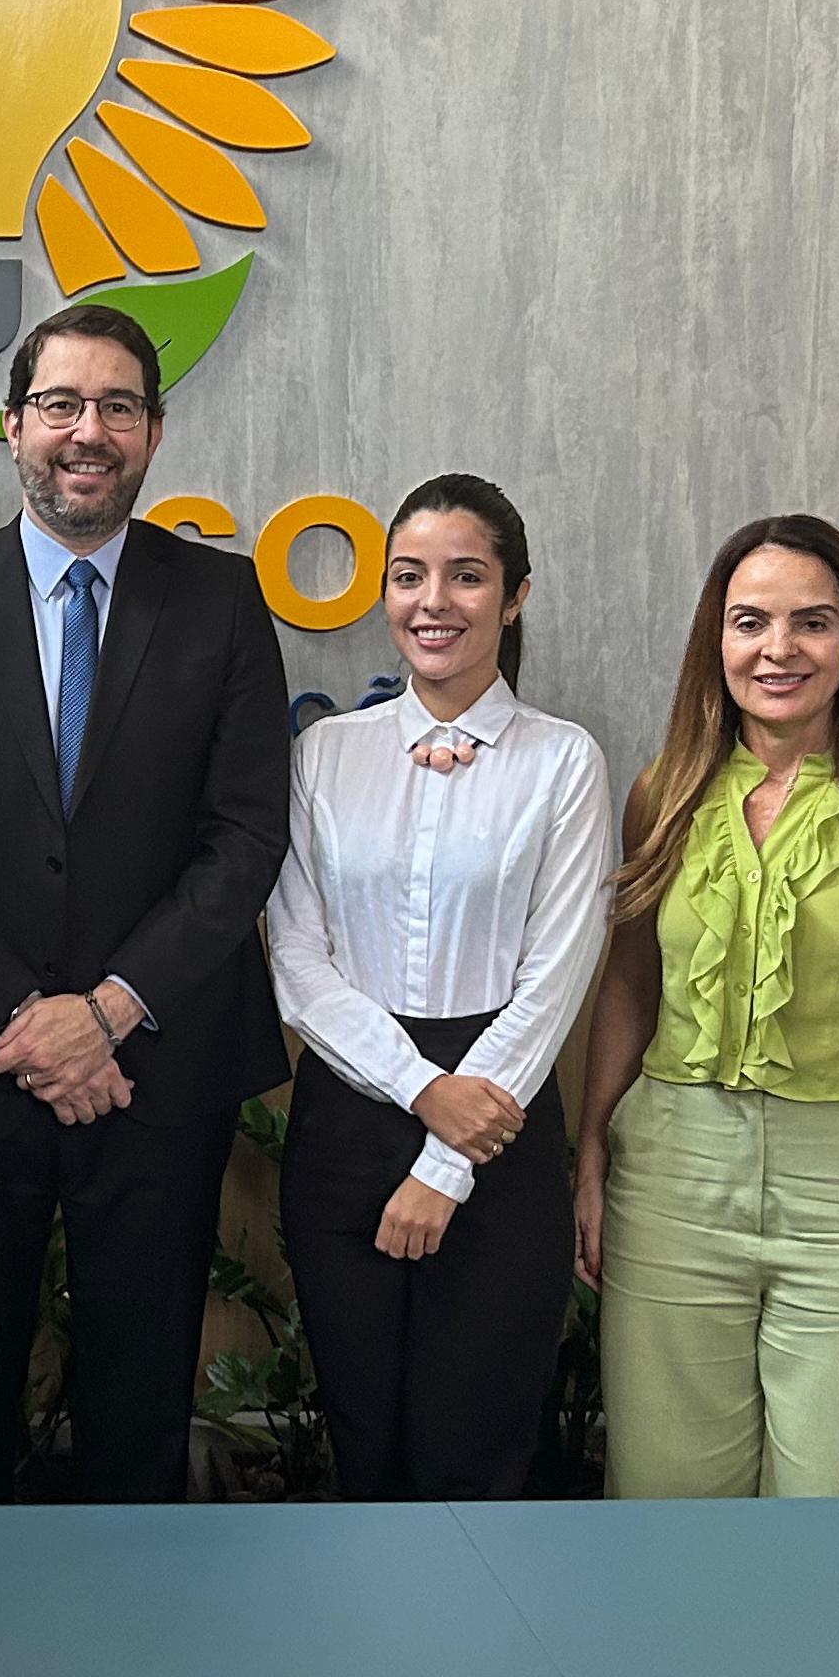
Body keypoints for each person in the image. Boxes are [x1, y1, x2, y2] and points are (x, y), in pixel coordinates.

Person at [0, 301, 292, 1505]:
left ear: (154, 431)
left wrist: (109, 1009)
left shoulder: (223, 601)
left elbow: (245, 836)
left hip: (160, 1066)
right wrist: (30, 1018)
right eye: (60, 405)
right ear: (12, 426)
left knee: (141, 1402)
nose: (86, 431)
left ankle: (136, 1662)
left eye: (116, 407)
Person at [573, 516, 839, 1498]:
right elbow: (629, 991)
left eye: (812, 623)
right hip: (674, 1178)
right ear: (714, 642)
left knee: (838, 1505)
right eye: (750, 622)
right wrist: (592, 1154)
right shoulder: (664, 792)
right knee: (667, 1499)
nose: (779, 649)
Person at [263, 478, 609, 1498]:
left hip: (501, 1132)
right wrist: (423, 1091)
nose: (435, 602)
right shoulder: (326, 755)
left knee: (481, 1449)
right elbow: (297, 959)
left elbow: (554, 979)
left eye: (468, 577)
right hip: (348, 1124)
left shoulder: (563, 761)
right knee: (364, 1443)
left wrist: (446, 1161)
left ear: (516, 597)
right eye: (409, 576)